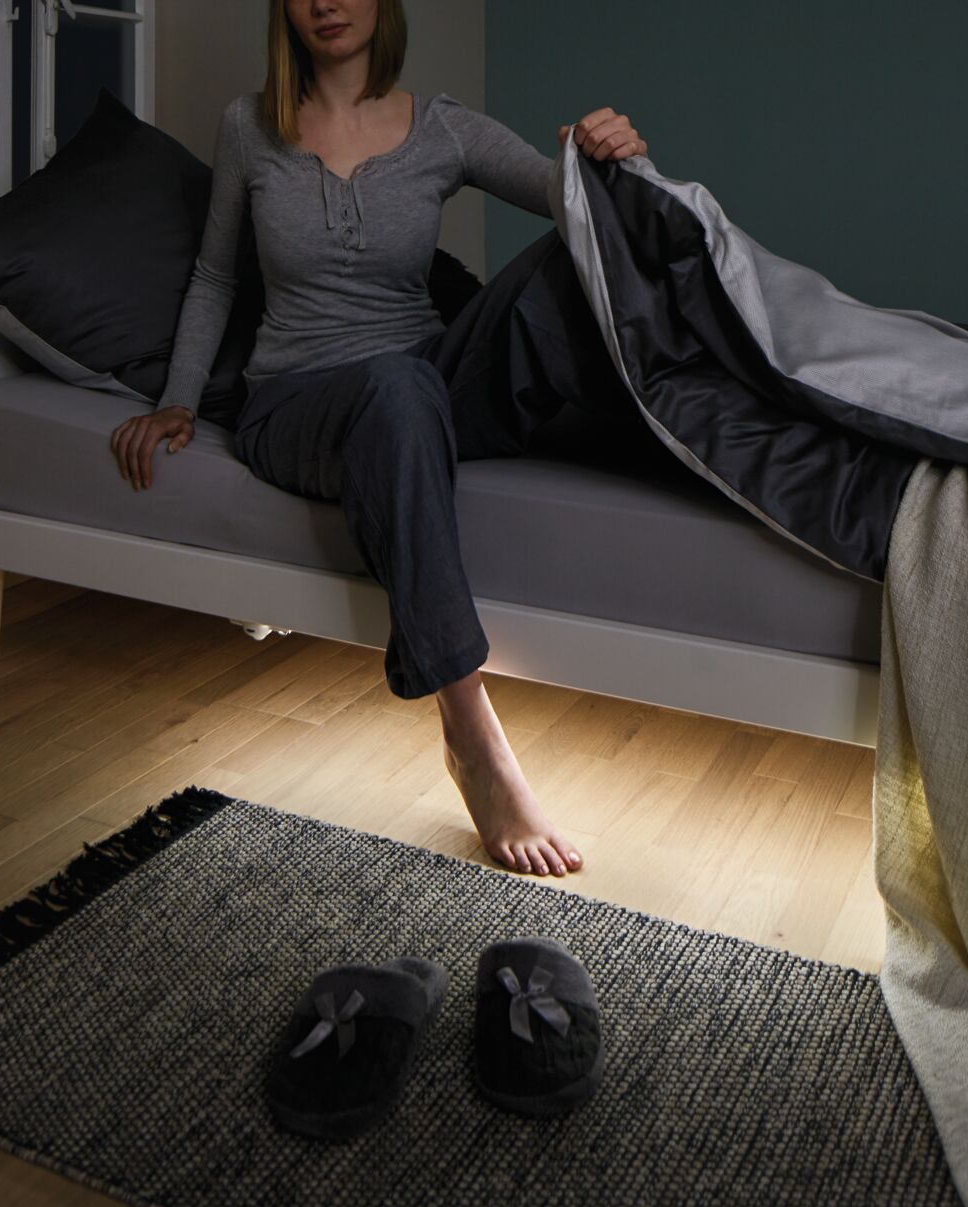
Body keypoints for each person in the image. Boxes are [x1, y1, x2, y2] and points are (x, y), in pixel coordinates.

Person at [108, 0, 648, 878]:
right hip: (296, 401)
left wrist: (608, 153)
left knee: (550, 273)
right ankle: (471, 733)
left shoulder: (441, 128)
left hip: (423, 378)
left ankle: (686, 437)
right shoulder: (249, 128)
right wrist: (177, 398)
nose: (328, 1)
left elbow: (573, 201)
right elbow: (213, 274)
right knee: (400, 390)